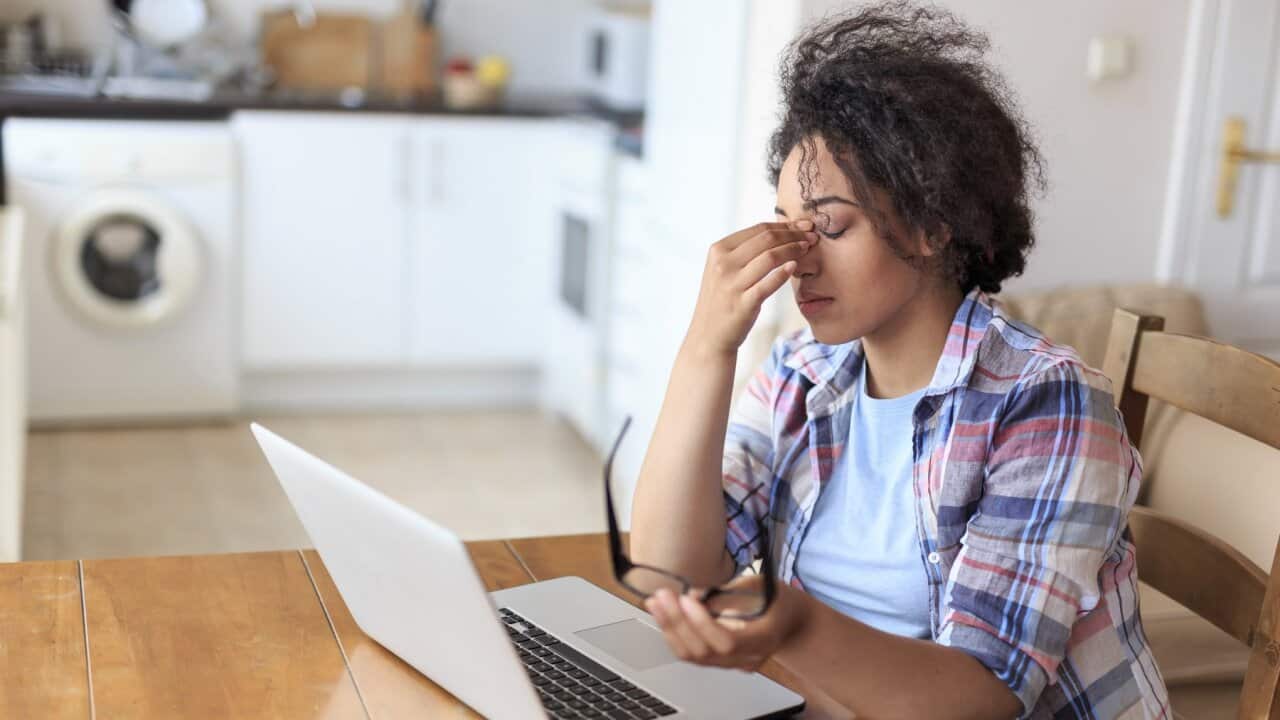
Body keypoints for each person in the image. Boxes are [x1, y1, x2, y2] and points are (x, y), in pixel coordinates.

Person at [626, 2, 1170, 718]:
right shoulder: (802, 372)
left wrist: (796, 624)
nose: (798, 260)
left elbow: (984, 695)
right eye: (787, 227)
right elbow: (666, 572)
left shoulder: (1047, 402)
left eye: (828, 225)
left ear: (930, 226)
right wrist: (707, 347)